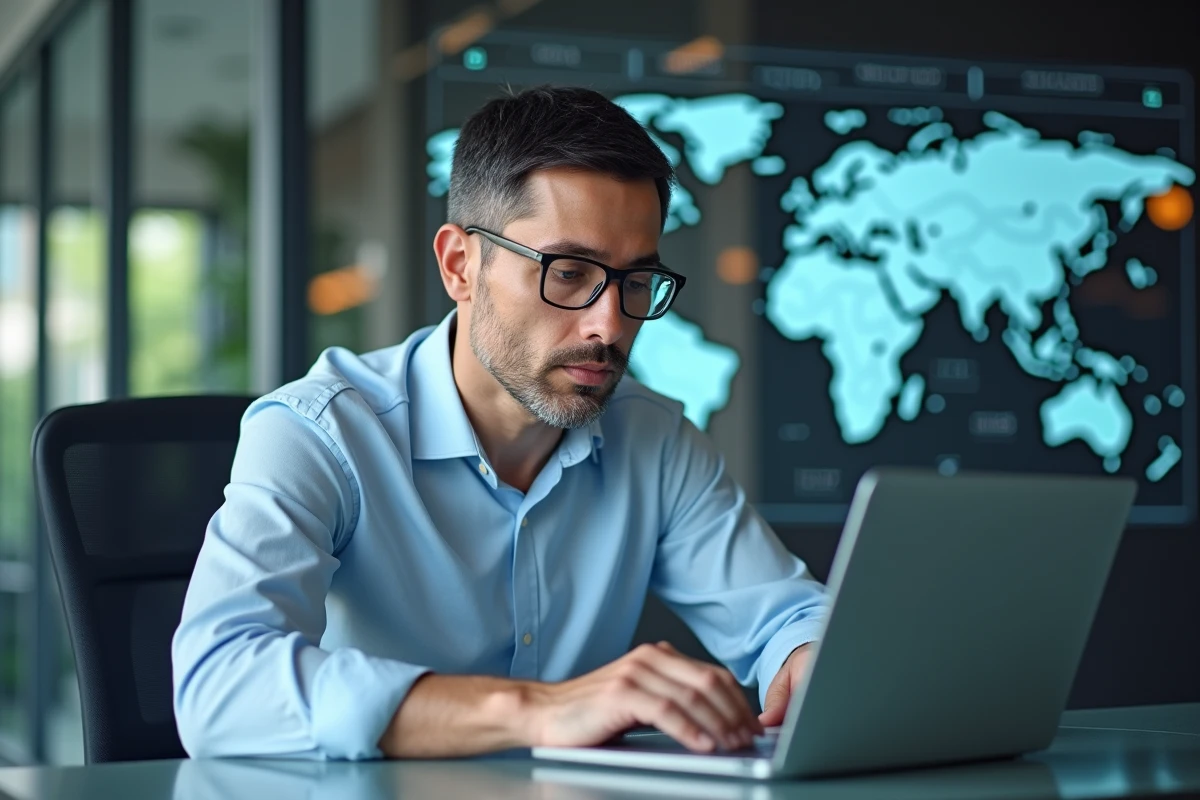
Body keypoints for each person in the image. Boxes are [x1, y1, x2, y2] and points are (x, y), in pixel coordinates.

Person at [172, 85, 829, 761]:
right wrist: (538, 711)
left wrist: (809, 658)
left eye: (636, 282)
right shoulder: (322, 432)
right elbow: (218, 688)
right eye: (569, 272)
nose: (608, 324)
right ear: (461, 264)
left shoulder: (654, 441)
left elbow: (785, 614)